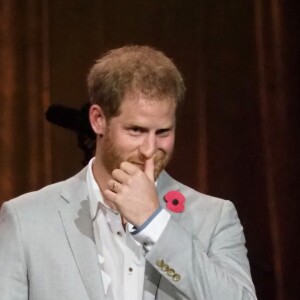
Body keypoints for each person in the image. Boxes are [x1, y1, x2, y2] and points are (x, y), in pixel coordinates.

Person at [0, 45, 257, 300]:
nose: (149, 150)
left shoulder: (213, 218)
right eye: (136, 130)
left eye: (163, 132)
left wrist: (154, 224)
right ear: (98, 120)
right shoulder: (26, 220)